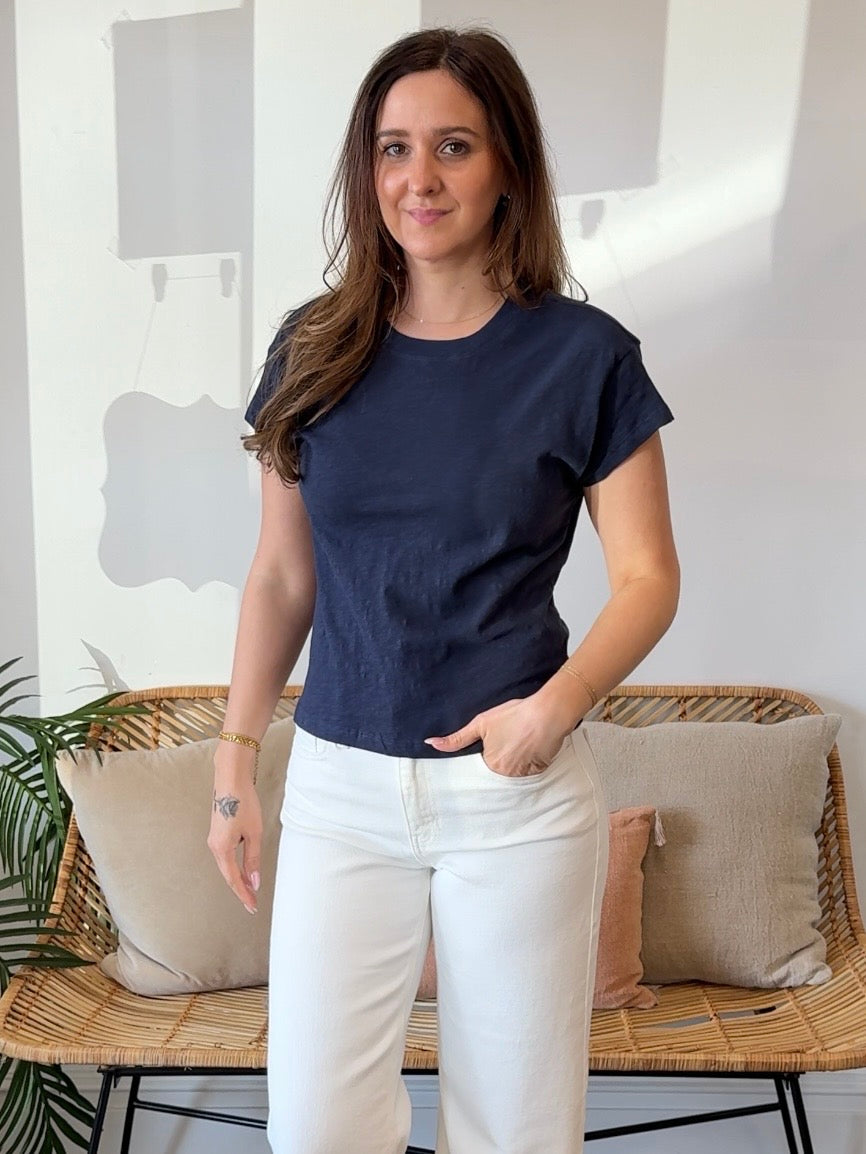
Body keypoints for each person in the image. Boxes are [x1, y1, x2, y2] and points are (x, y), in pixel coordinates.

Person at [208, 24, 679, 1154]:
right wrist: (232, 766)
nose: (418, 178)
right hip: (338, 788)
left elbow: (648, 576)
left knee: (516, 1132)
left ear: (507, 163)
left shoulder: (584, 358)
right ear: (366, 170)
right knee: (315, 1130)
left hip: (512, 797)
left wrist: (551, 712)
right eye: (394, 149)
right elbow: (281, 573)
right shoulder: (313, 349)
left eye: (453, 146)